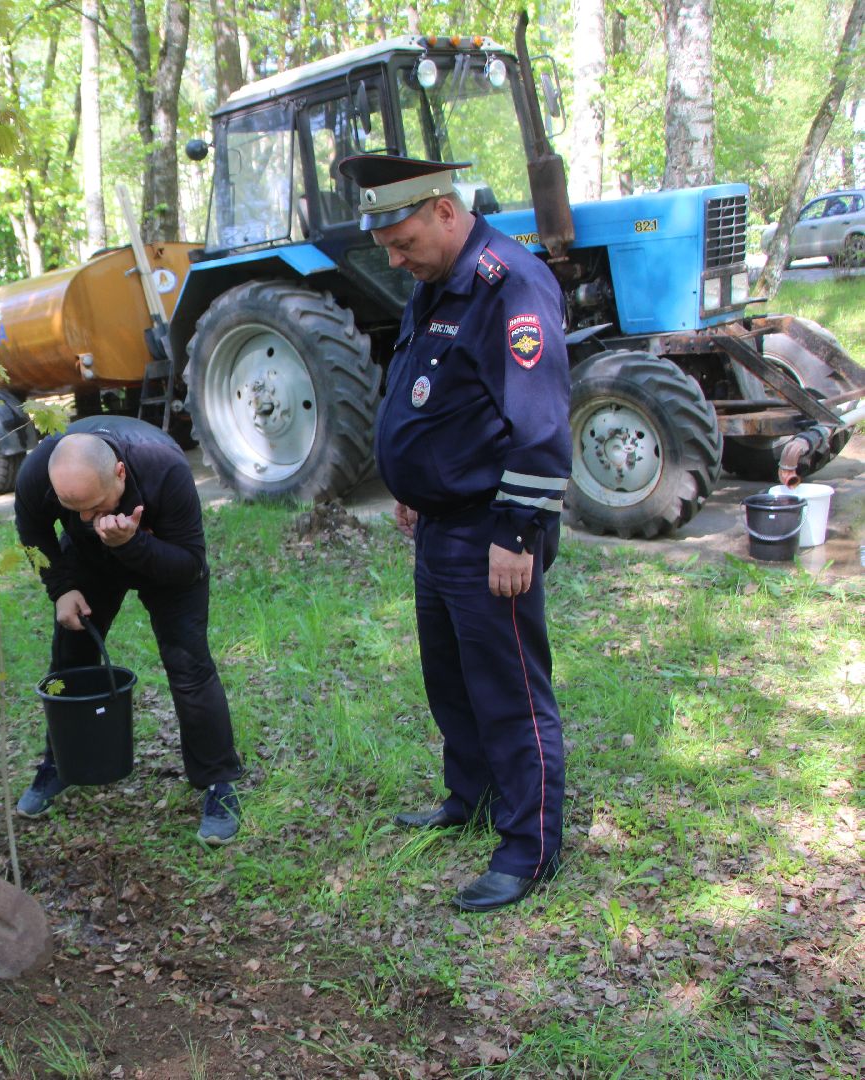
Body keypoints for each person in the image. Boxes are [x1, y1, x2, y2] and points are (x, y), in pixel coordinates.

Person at [339, 153, 572, 912]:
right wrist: (410, 485)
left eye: (404, 242)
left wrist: (516, 532)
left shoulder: (512, 284)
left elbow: (538, 426)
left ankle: (530, 845)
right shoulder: (435, 280)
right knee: (451, 679)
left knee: (508, 690)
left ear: (445, 209)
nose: (397, 260)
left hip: (490, 530)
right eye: (388, 250)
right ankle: (469, 795)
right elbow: (429, 391)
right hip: (439, 526)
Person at [12, 415, 245, 844]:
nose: (84, 517)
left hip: (162, 554)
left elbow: (189, 564)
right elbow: (32, 532)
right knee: (71, 657)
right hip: (89, 562)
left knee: (188, 663)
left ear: (119, 473)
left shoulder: (164, 469)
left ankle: (219, 783)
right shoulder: (40, 473)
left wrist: (132, 544)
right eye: (73, 510)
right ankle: (59, 763)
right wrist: (61, 589)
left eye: (95, 508)